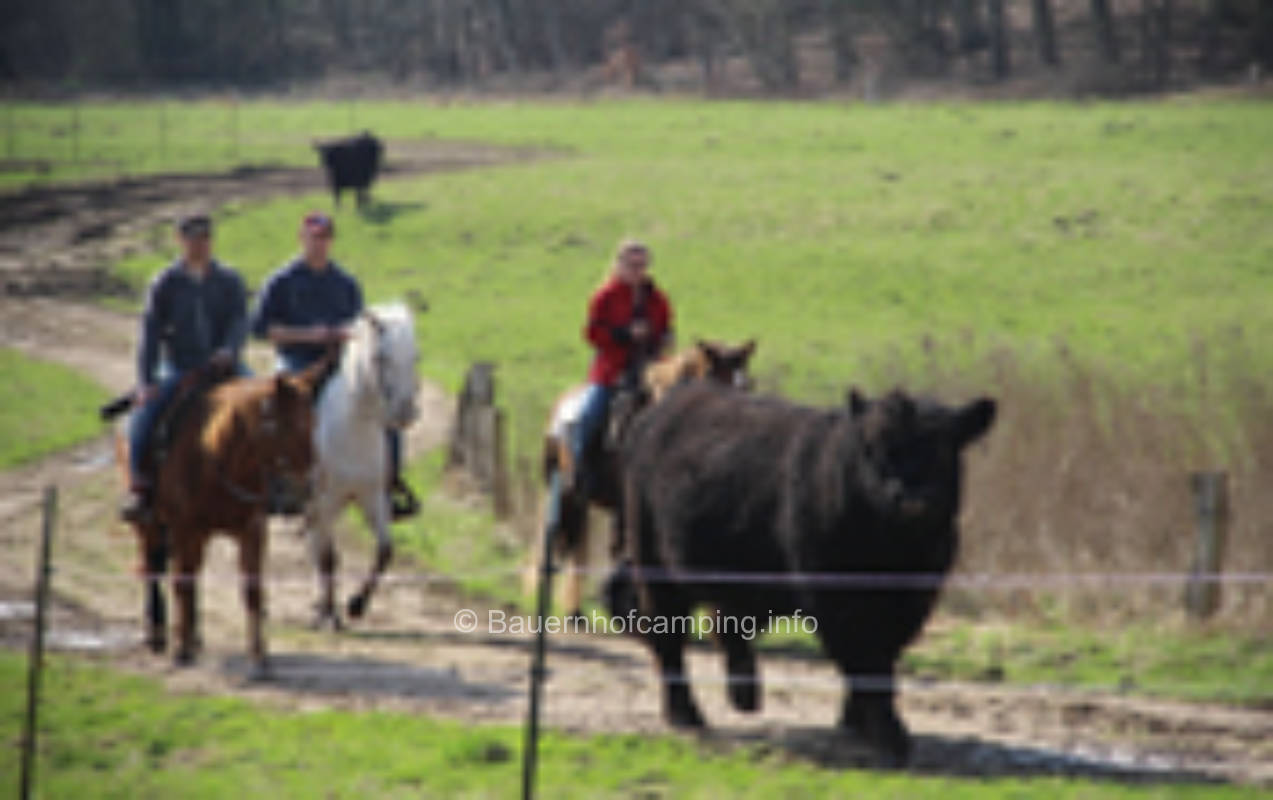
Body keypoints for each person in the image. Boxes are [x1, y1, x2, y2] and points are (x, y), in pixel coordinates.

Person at [250, 211, 418, 519]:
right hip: (297, 358)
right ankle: (278, 484)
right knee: (277, 406)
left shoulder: (345, 283)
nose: (319, 244)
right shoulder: (281, 281)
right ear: (302, 239)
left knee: (382, 407)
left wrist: (346, 336)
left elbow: (361, 329)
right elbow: (262, 329)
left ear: (331, 241)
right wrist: (308, 335)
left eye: (325, 238)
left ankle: (390, 480)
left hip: (340, 359)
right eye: (314, 238)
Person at [122, 213, 249, 524]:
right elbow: (150, 334)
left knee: (265, 405)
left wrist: (229, 351)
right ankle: (139, 484)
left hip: (225, 367)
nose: (199, 245)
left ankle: (273, 483)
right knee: (141, 416)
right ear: (180, 241)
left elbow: (239, 321)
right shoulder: (165, 283)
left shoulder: (230, 280)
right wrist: (146, 381)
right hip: (180, 365)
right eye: (192, 239)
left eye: (204, 239)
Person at [570, 239, 673, 490]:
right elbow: (592, 334)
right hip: (613, 369)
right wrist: (625, 334)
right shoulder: (604, 296)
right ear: (619, 265)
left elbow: (667, 328)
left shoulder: (657, 298)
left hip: (651, 369)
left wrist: (662, 338)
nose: (638, 271)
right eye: (632, 265)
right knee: (588, 415)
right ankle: (579, 470)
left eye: (642, 265)